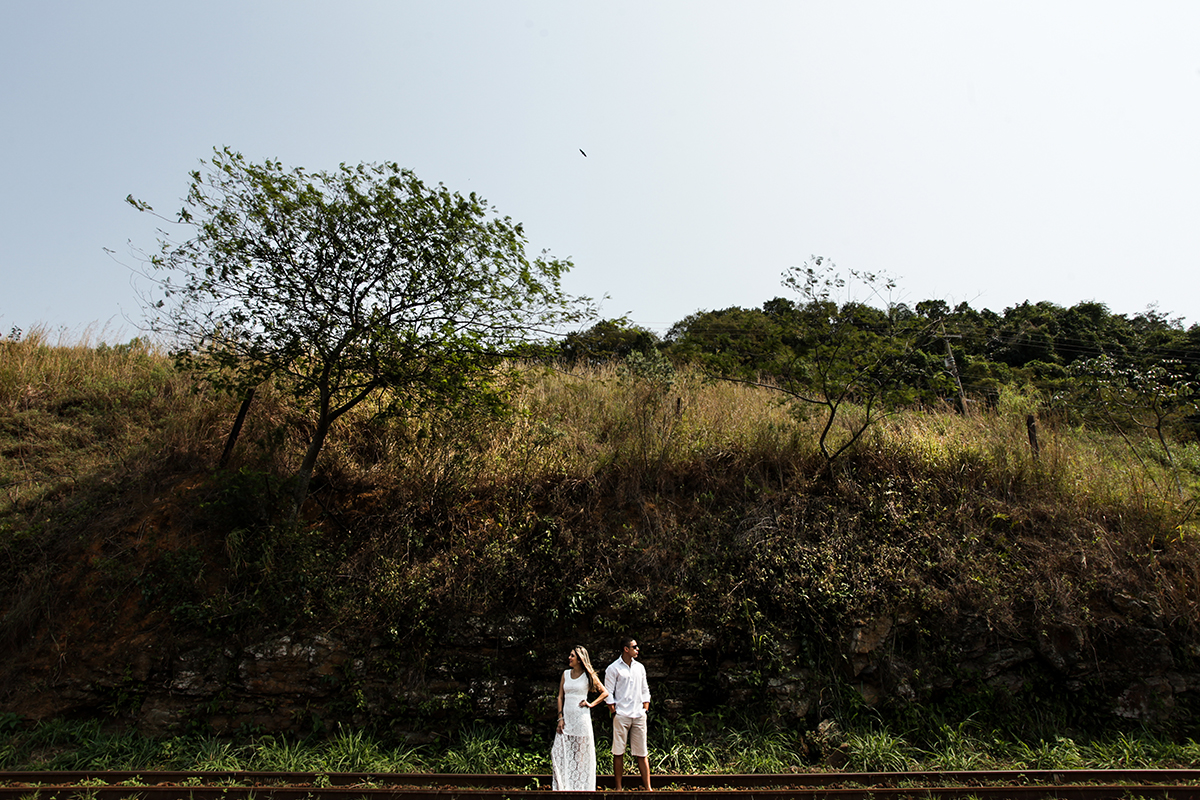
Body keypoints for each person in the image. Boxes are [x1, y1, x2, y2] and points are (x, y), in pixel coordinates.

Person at [551, 645, 609, 791]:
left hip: (581, 718)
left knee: (580, 754)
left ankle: (580, 787)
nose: (569, 658)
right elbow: (560, 697)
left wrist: (591, 704)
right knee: (557, 751)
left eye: (572, 656)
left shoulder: (588, 675)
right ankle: (564, 784)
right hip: (566, 719)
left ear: (579, 659)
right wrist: (560, 718)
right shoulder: (565, 674)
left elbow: (604, 692)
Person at [604, 636, 651, 791]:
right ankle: (618, 788)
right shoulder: (613, 668)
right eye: (634, 647)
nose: (637, 649)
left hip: (638, 714)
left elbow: (645, 689)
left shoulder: (640, 667)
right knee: (618, 752)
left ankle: (648, 788)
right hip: (621, 715)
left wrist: (645, 708)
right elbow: (608, 693)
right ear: (626, 649)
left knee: (642, 752)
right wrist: (614, 712)